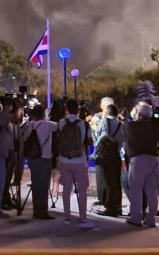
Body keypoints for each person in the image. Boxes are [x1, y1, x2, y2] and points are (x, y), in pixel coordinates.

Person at [58, 99, 94, 228]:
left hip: (64, 159)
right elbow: (90, 142)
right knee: (82, 190)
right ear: (78, 109)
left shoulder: (61, 122)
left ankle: (67, 217)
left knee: (66, 189)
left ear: (67, 109)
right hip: (80, 160)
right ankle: (83, 217)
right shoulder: (84, 123)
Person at [124, 103, 159, 228]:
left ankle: (136, 218)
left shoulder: (131, 126)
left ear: (138, 113)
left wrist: (126, 117)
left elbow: (127, 123)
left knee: (136, 190)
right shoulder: (155, 127)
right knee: (151, 192)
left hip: (138, 160)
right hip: (154, 159)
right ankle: (151, 219)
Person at [22, 104, 58, 220]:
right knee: (43, 185)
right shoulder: (48, 125)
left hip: (33, 158)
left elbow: (24, 138)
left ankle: (36, 209)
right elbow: (58, 126)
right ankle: (43, 210)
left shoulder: (30, 125)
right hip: (45, 157)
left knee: (35, 184)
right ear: (43, 113)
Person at [93, 104, 123, 217]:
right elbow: (122, 142)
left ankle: (110, 207)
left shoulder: (104, 122)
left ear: (107, 112)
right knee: (116, 181)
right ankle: (117, 206)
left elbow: (98, 133)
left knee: (107, 182)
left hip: (106, 156)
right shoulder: (121, 124)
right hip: (116, 155)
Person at [90, 97, 115, 207]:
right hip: (114, 151)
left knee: (101, 176)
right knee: (112, 177)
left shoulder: (97, 118)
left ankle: (103, 199)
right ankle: (112, 200)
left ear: (102, 106)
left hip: (101, 151)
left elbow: (94, 133)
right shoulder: (117, 118)